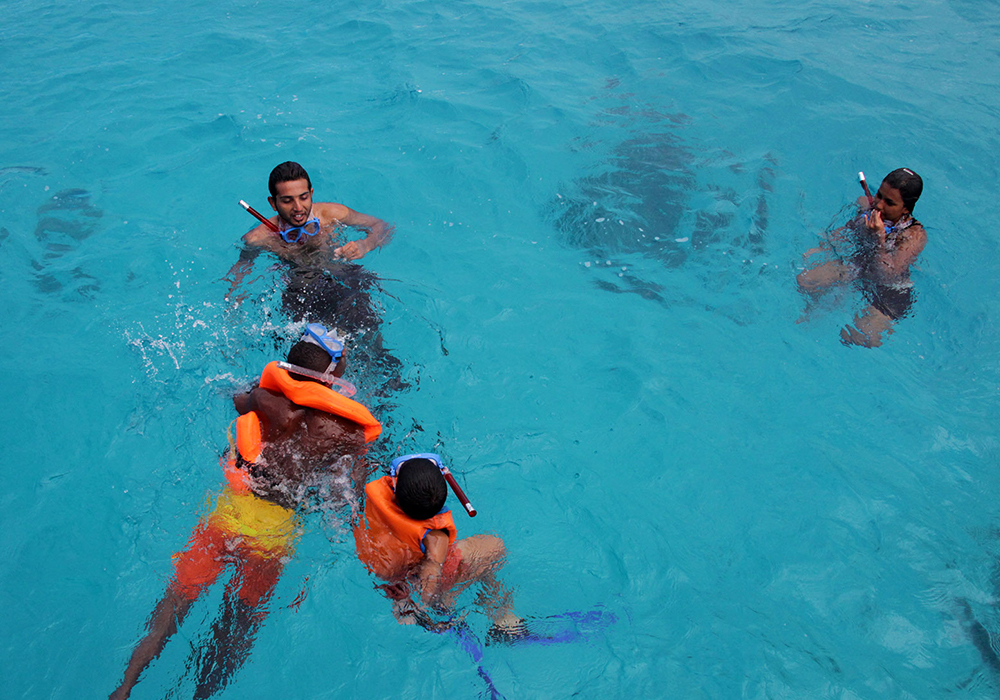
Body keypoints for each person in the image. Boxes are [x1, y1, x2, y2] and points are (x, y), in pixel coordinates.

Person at [110, 325, 382, 700]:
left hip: (228, 514)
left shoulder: (263, 398)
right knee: (237, 626)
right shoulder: (346, 430)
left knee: (175, 601)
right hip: (275, 533)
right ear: (333, 375)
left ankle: (124, 687)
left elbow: (242, 401)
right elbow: (350, 490)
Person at [353, 454, 523, 639]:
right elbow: (432, 569)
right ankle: (500, 618)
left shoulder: (377, 494)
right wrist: (427, 600)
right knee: (494, 546)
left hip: (384, 571)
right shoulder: (435, 536)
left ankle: (408, 602)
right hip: (417, 580)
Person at [796, 168, 927, 347]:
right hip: (859, 265)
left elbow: (889, 275)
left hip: (887, 291)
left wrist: (879, 239)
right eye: (879, 195)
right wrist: (823, 246)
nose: (879, 205)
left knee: (858, 336)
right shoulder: (868, 206)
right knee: (806, 281)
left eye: (889, 202)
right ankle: (812, 313)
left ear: (905, 208)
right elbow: (847, 228)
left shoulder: (914, 236)